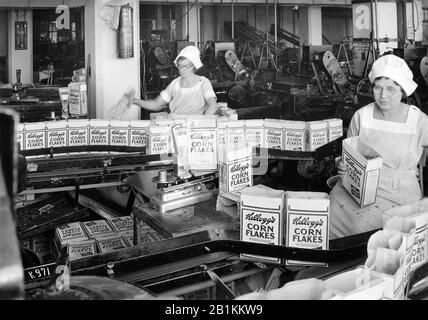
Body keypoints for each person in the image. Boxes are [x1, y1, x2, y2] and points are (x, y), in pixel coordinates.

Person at [329, 54, 428, 239]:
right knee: (328, 219)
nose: (383, 96)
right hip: (357, 189)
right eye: (378, 88)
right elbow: (349, 155)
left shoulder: (419, 121)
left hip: (398, 194)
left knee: (366, 231)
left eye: (391, 89)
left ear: (403, 90)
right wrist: (343, 165)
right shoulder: (362, 116)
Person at [131, 45, 218, 116]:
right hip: (175, 125)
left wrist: (202, 124)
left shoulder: (202, 82)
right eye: (180, 66)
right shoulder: (175, 84)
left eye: (185, 66)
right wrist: (136, 101)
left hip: (194, 127)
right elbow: (157, 104)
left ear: (194, 66)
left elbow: (212, 105)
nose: (182, 69)